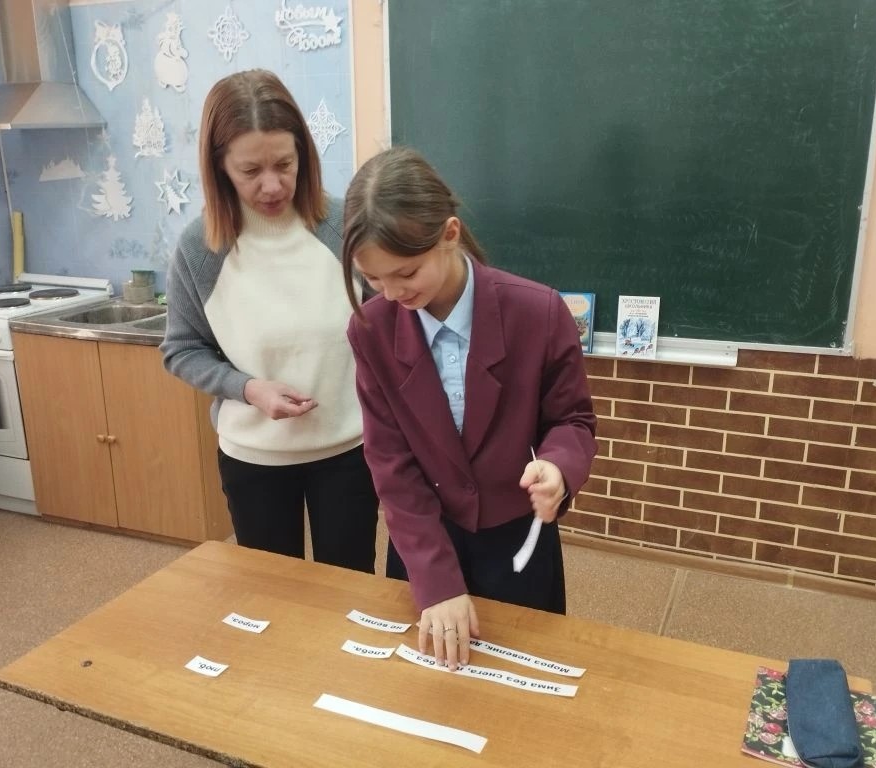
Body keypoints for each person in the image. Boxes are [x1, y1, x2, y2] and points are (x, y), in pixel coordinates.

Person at [341, 146, 597, 670]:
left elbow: (572, 420)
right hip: (421, 540)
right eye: (373, 279)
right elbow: (390, 463)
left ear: (450, 234)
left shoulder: (538, 311)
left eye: (406, 272)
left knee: (523, 679)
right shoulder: (372, 329)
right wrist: (435, 582)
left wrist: (559, 467)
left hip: (517, 542)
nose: (391, 292)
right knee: (423, 689)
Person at [161, 69, 379, 573]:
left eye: (285, 163)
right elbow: (181, 349)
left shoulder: (345, 224)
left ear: (304, 152)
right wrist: (248, 389)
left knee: (350, 590)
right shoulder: (201, 248)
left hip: (349, 451)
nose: (273, 184)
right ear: (219, 167)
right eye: (250, 170)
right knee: (270, 595)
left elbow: (390, 324)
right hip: (254, 458)